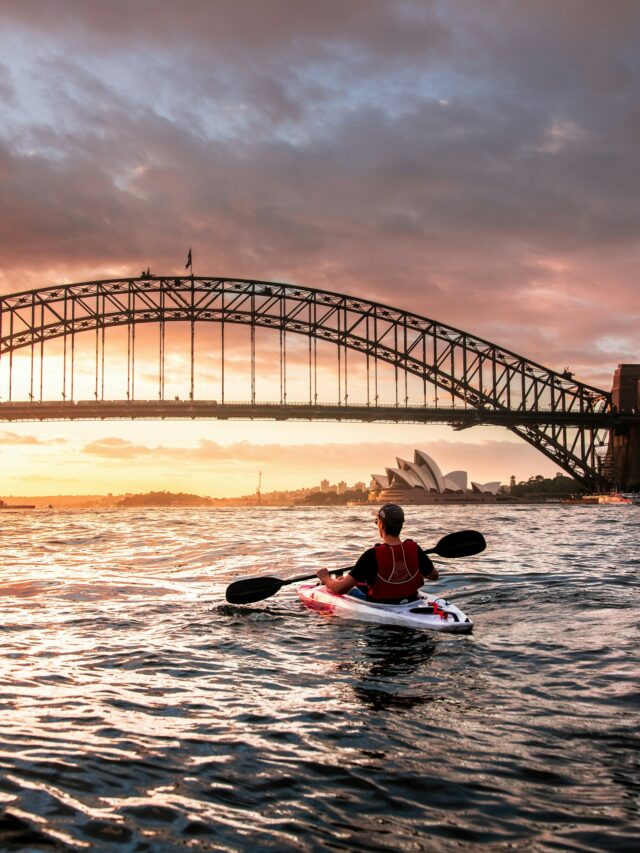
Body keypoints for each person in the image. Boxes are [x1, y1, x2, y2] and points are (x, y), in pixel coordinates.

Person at [316, 503, 439, 604]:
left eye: (377, 521)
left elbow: (340, 589)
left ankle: (336, 580)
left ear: (381, 524)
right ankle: (341, 579)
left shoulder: (371, 555)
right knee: (350, 581)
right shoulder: (415, 549)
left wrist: (325, 577)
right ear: (401, 525)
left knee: (335, 585)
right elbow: (434, 576)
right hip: (411, 600)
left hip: (380, 604)